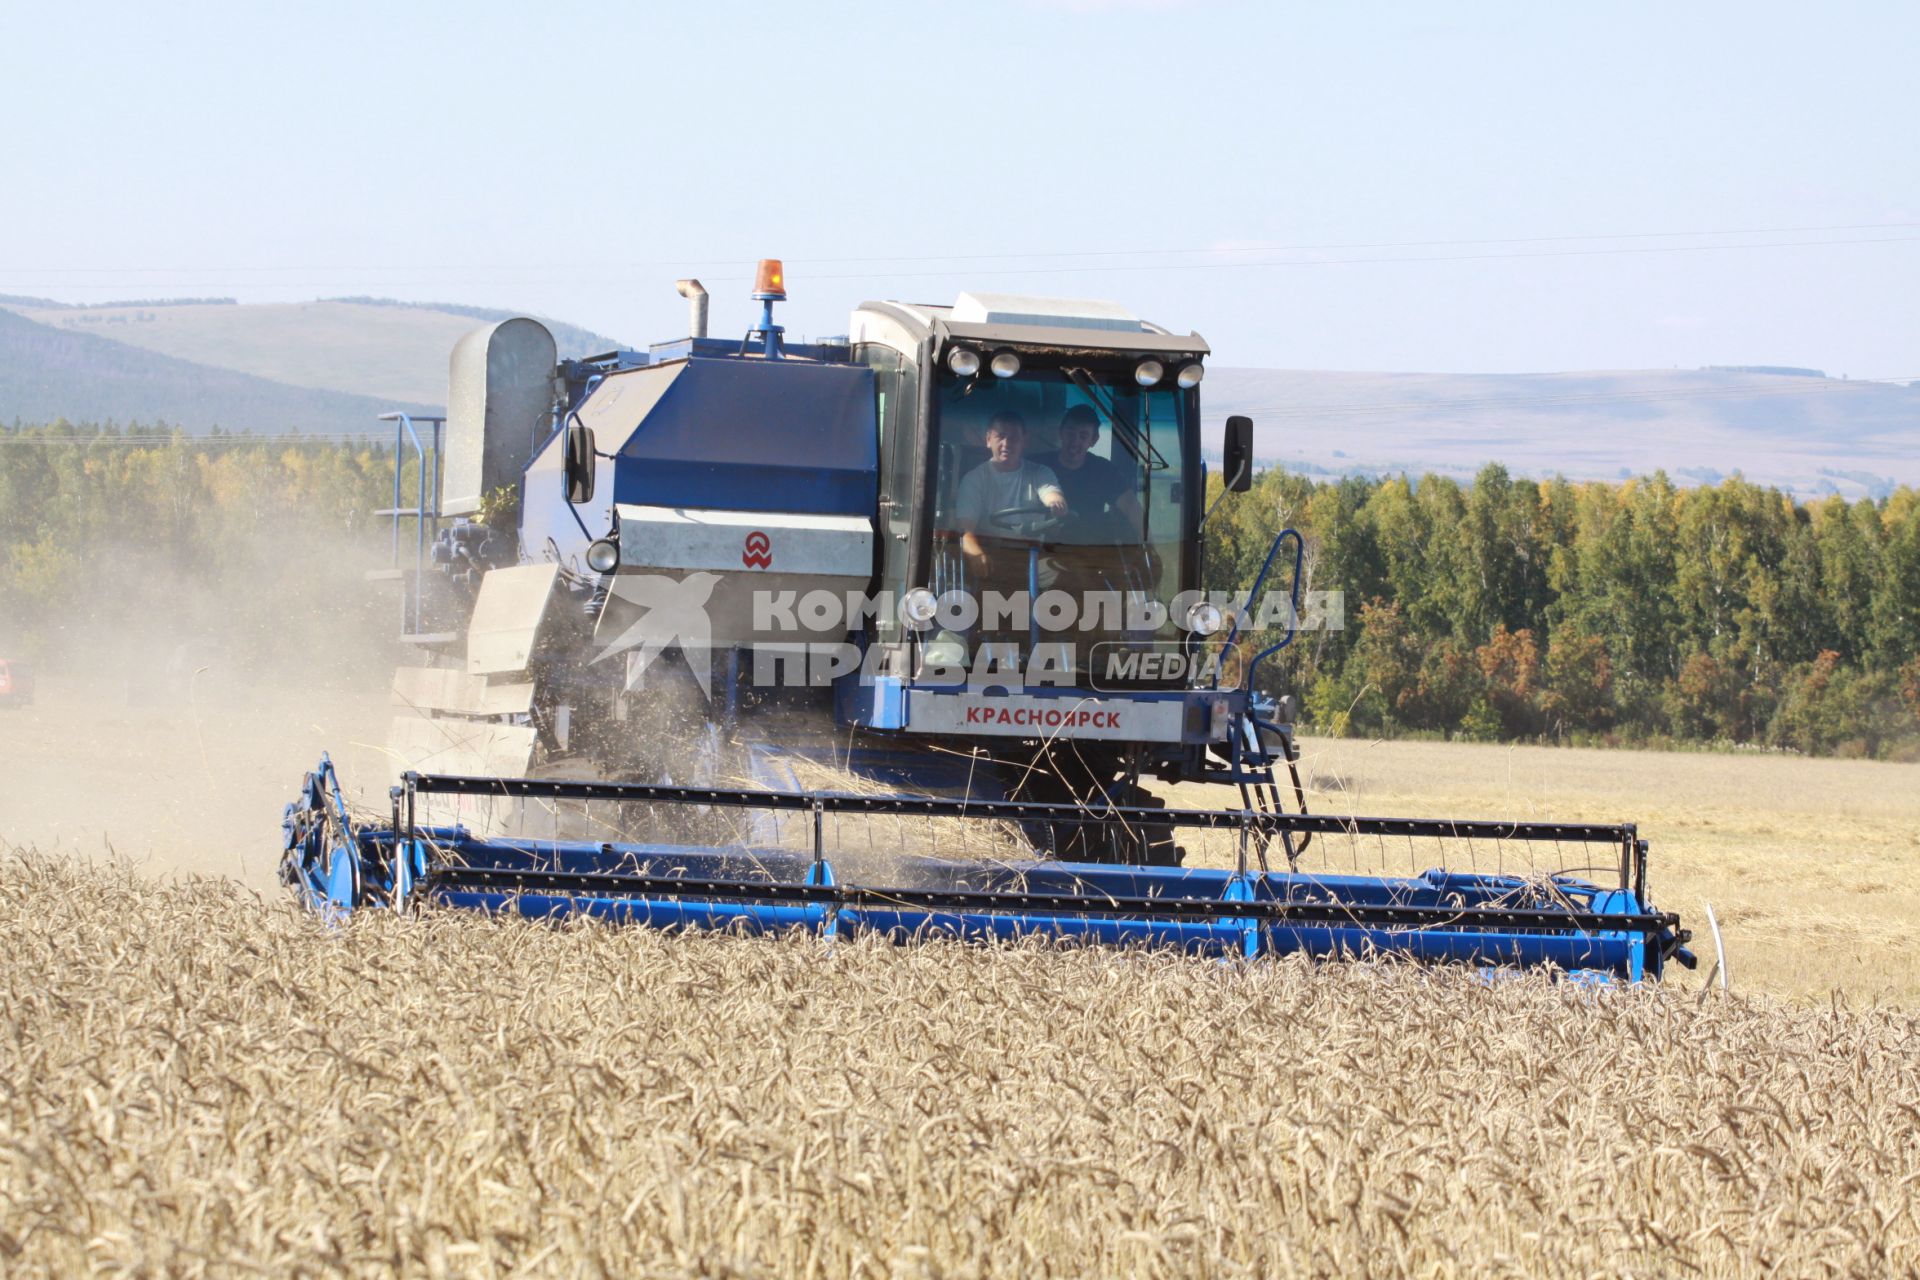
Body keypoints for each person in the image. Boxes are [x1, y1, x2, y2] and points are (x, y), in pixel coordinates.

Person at [954, 412, 1067, 578]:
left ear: (1024, 441)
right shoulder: (974, 479)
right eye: (1000, 436)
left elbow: (1052, 494)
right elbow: (965, 532)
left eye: (1014, 438)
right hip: (991, 555)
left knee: (1064, 577)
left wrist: (1056, 503)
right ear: (988, 440)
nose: (1006, 443)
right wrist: (977, 556)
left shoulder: (1040, 473)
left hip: (1034, 557)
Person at [1037, 404, 1143, 540]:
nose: (1075, 441)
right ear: (1061, 432)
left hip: (1089, 551)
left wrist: (1150, 547)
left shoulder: (1105, 471)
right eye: (1070, 433)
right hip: (1039, 549)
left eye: (1083, 436)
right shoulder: (1037, 466)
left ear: (1094, 440)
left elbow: (1131, 506)